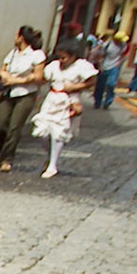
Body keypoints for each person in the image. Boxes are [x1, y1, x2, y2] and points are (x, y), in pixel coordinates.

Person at [32, 39, 97, 179]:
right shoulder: (54, 66)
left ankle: (52, 165)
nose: (61, 60)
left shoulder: (81, 66)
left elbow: (91, 81)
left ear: (73, 56)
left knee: (58, 132)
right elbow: (44, 79)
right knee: (41, 132)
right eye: (59, 57)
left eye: (64, 57)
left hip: (69, 100)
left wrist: (74, 87)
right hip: (52, 99)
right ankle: (50, 155)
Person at [0, 26, 47, 173]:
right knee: (0, 124)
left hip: (25, 94)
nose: (14, 38)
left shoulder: (37, 55)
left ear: (21, 37)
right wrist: (5, 77)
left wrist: (17, 81)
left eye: (16, 35)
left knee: (14, 127)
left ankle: (7, 158)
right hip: (8, 92)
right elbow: (2, 69)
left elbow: (38, 76)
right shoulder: (13, 53)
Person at [92, 33, 126, 109]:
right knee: (100, 85)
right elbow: (100, 56)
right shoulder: (107, 45)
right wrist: (100, 65)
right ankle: (97, 102)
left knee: (111, 84)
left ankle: (108, 102)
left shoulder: (123, 45)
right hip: (105, 66)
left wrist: (119, 62)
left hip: (114, 67)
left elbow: (122, 54)